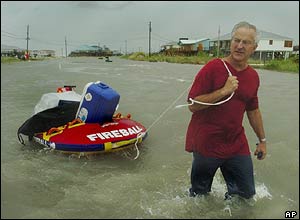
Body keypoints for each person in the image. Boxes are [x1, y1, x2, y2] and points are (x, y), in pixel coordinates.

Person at [185, 21, 266, 200]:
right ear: (230, 42)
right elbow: (193, 105)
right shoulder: (213, 68)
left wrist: (262, 140)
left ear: (254, 47)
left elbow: (253, 110)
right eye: (236, 40)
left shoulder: (253, 76)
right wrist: (223, 91)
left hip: (236, 143)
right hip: (206, 142)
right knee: (199, 196)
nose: (239, 46)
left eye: (246, 42)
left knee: (246, 195)